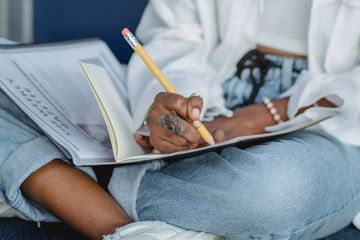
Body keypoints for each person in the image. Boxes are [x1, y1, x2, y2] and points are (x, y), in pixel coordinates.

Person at [1, 0, 360, 239]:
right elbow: (172, 35)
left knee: (278, 190)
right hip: (206, 113)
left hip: (330, 129)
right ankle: (132, 222)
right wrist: (176, 104)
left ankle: (71, 189)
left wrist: (267, 114)